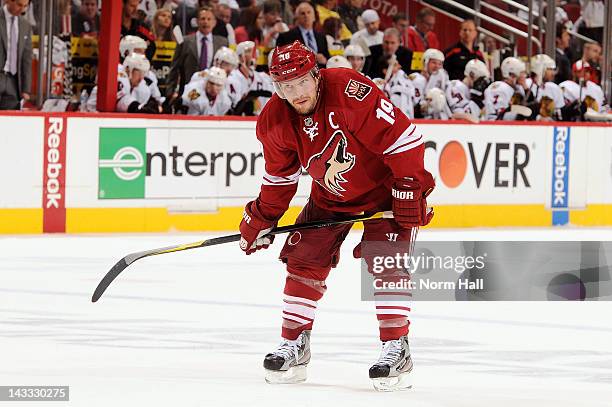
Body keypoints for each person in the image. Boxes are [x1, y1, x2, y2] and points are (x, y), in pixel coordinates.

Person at [239, 40, 434, 391]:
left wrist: (409, 187)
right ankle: (294, 343)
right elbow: (280, 178)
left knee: (386, 259)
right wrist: (263, 216)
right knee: (304, 259)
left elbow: (404, 139)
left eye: (301, 82)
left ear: (316, 74)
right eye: (285, 86)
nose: (295, 92)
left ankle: (396, 346)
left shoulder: (348, 89)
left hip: (384, 190)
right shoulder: (275, 119)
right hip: (331, 194)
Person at [166, 6, 229, 106]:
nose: (206, 22)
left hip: (215, 95)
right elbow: (174, 69)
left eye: (209, 19)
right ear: (197, 21)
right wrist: (170, 93)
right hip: (188, 94)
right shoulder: (185, 42)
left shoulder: (223, 43)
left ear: (214, 22)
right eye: (203, 19)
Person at [276, 2, 330, 67]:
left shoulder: (321, 37)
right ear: (297, 18)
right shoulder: (285, 37)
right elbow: (282, 60)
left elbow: (327, 58)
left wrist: (325, 60)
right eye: (302, 13)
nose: (306, 16)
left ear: (314, 17)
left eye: (309, 12)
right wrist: (309, 59)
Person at [0, 0, 32, 110]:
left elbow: (26, 58)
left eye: (25, 6)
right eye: (19, 5)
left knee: (10, 122)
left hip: (14, 83)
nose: (22, 9)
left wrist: (26, 89)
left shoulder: (25, 26)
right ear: (8, 1)